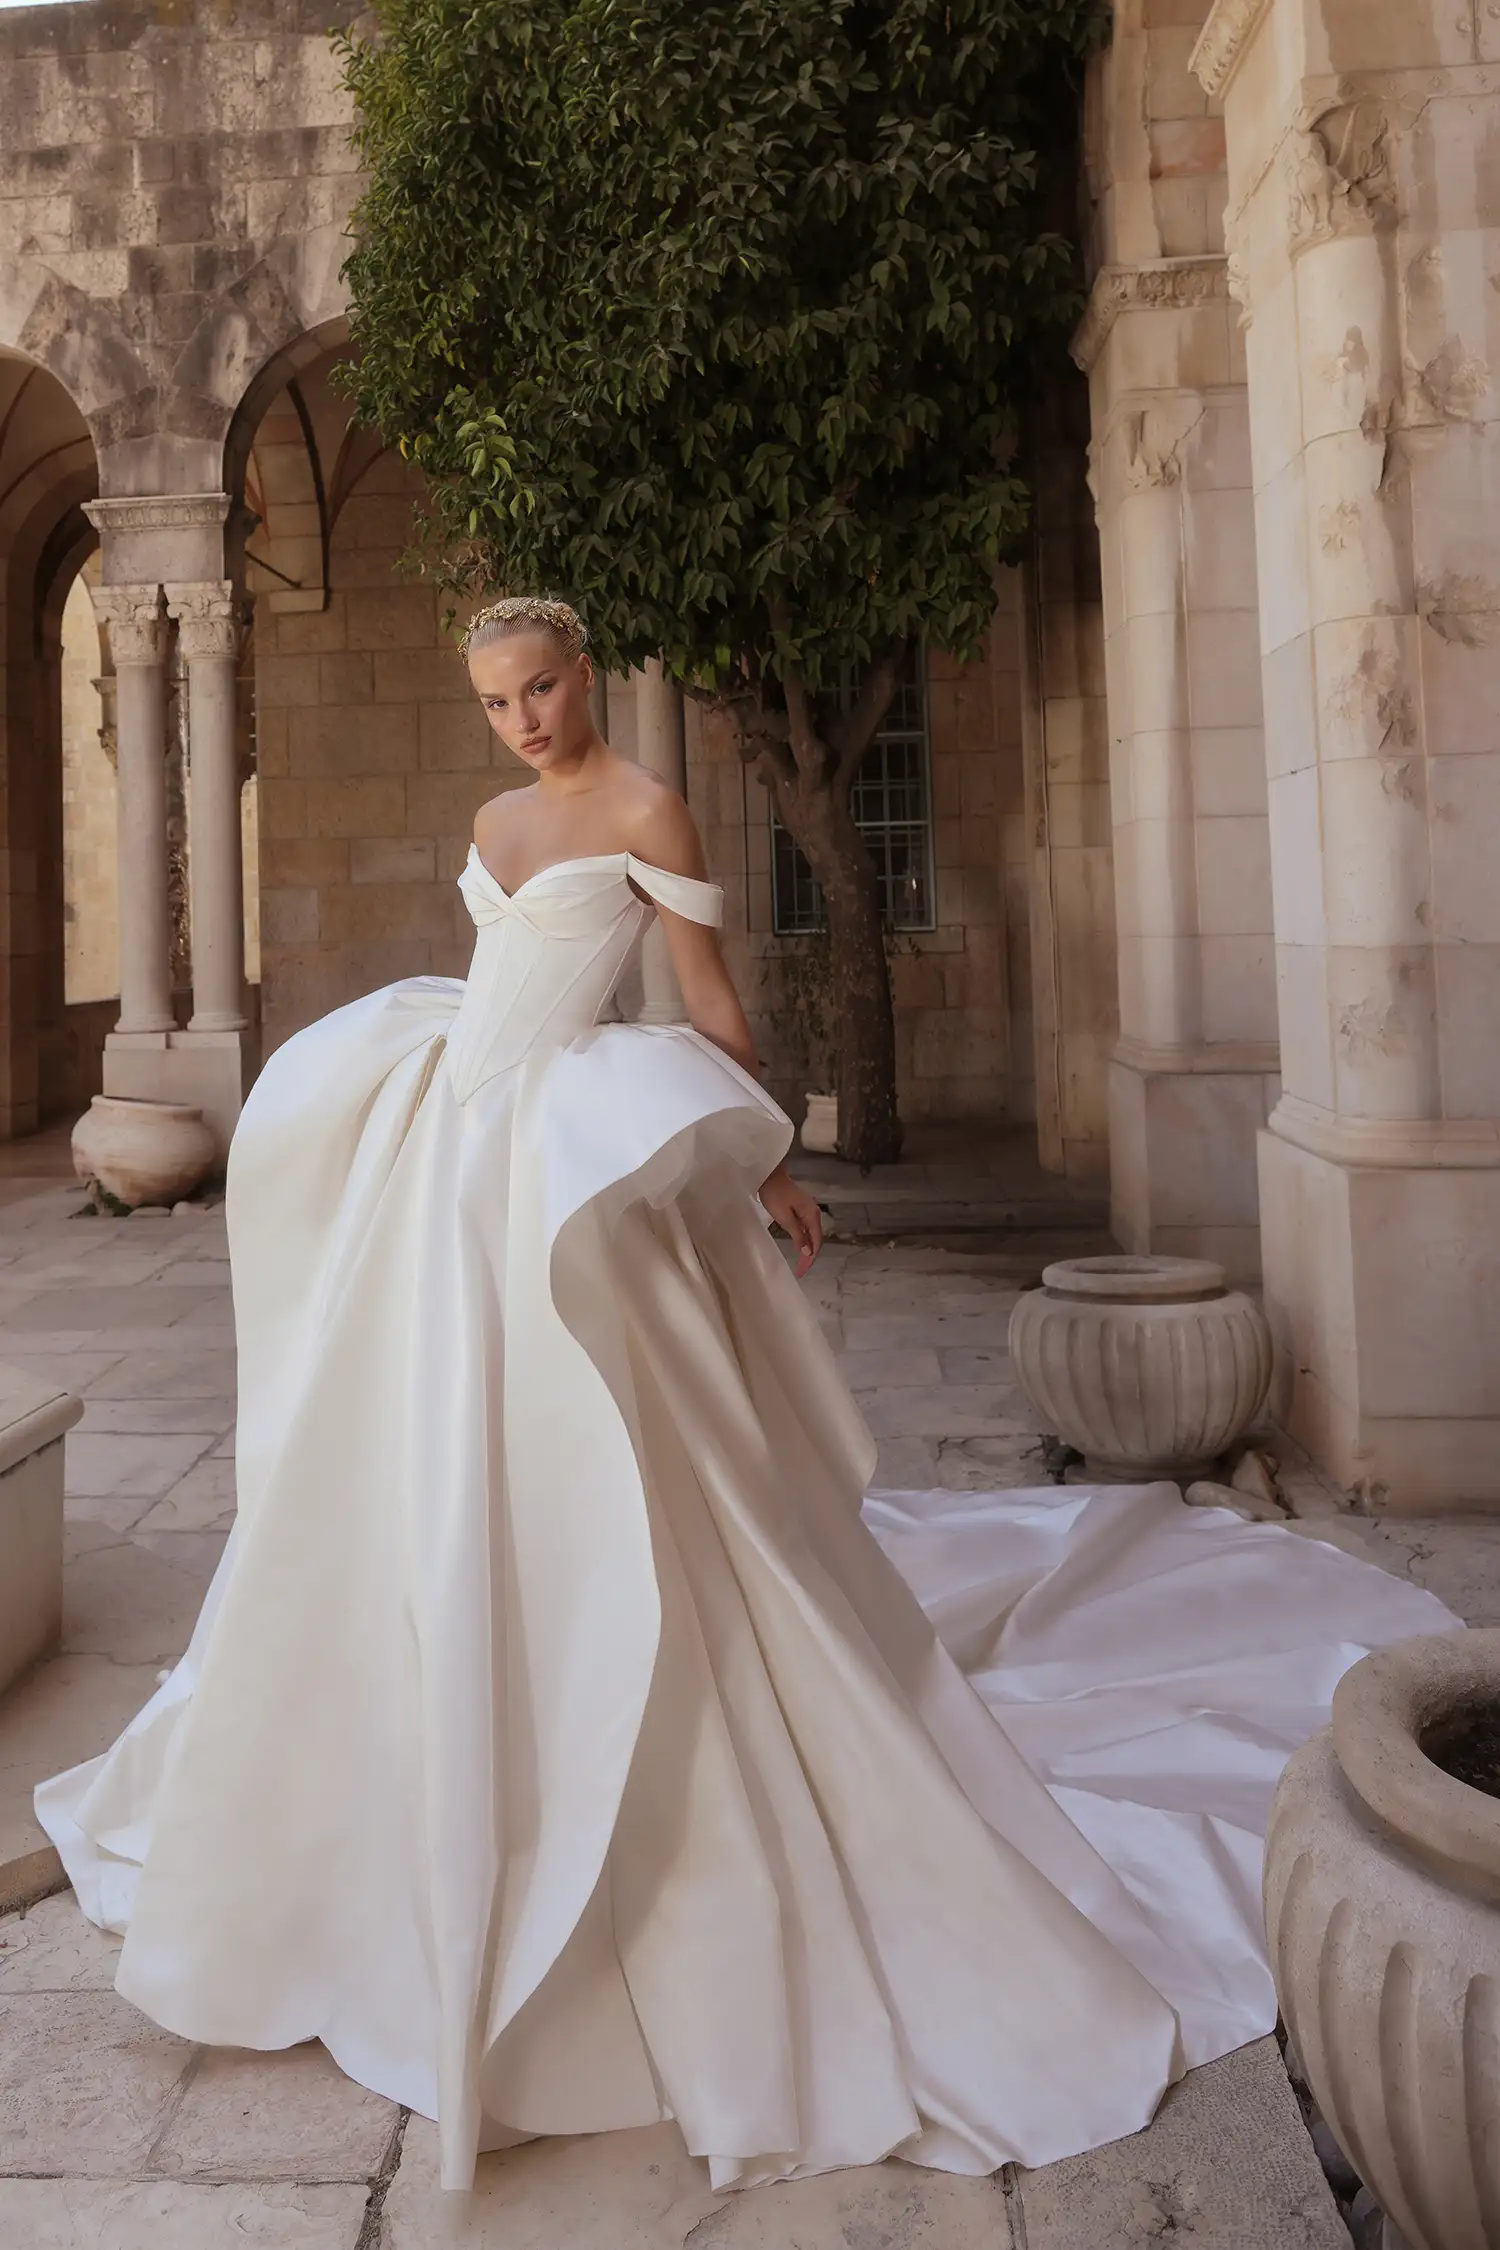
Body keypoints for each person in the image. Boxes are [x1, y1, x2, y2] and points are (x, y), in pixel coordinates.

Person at [36, 595, 1458, 2197]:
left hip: (567, 1168)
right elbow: (499, 974)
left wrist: (765, 1156)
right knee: (420, 1471)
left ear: (584, 675)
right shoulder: (495, 816)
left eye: (544, 687)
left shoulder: (644, 804)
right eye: (498, 698)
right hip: (459, 1158)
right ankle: (419, 1760)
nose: (523, 719)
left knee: (623, 1471)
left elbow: (703, 999)